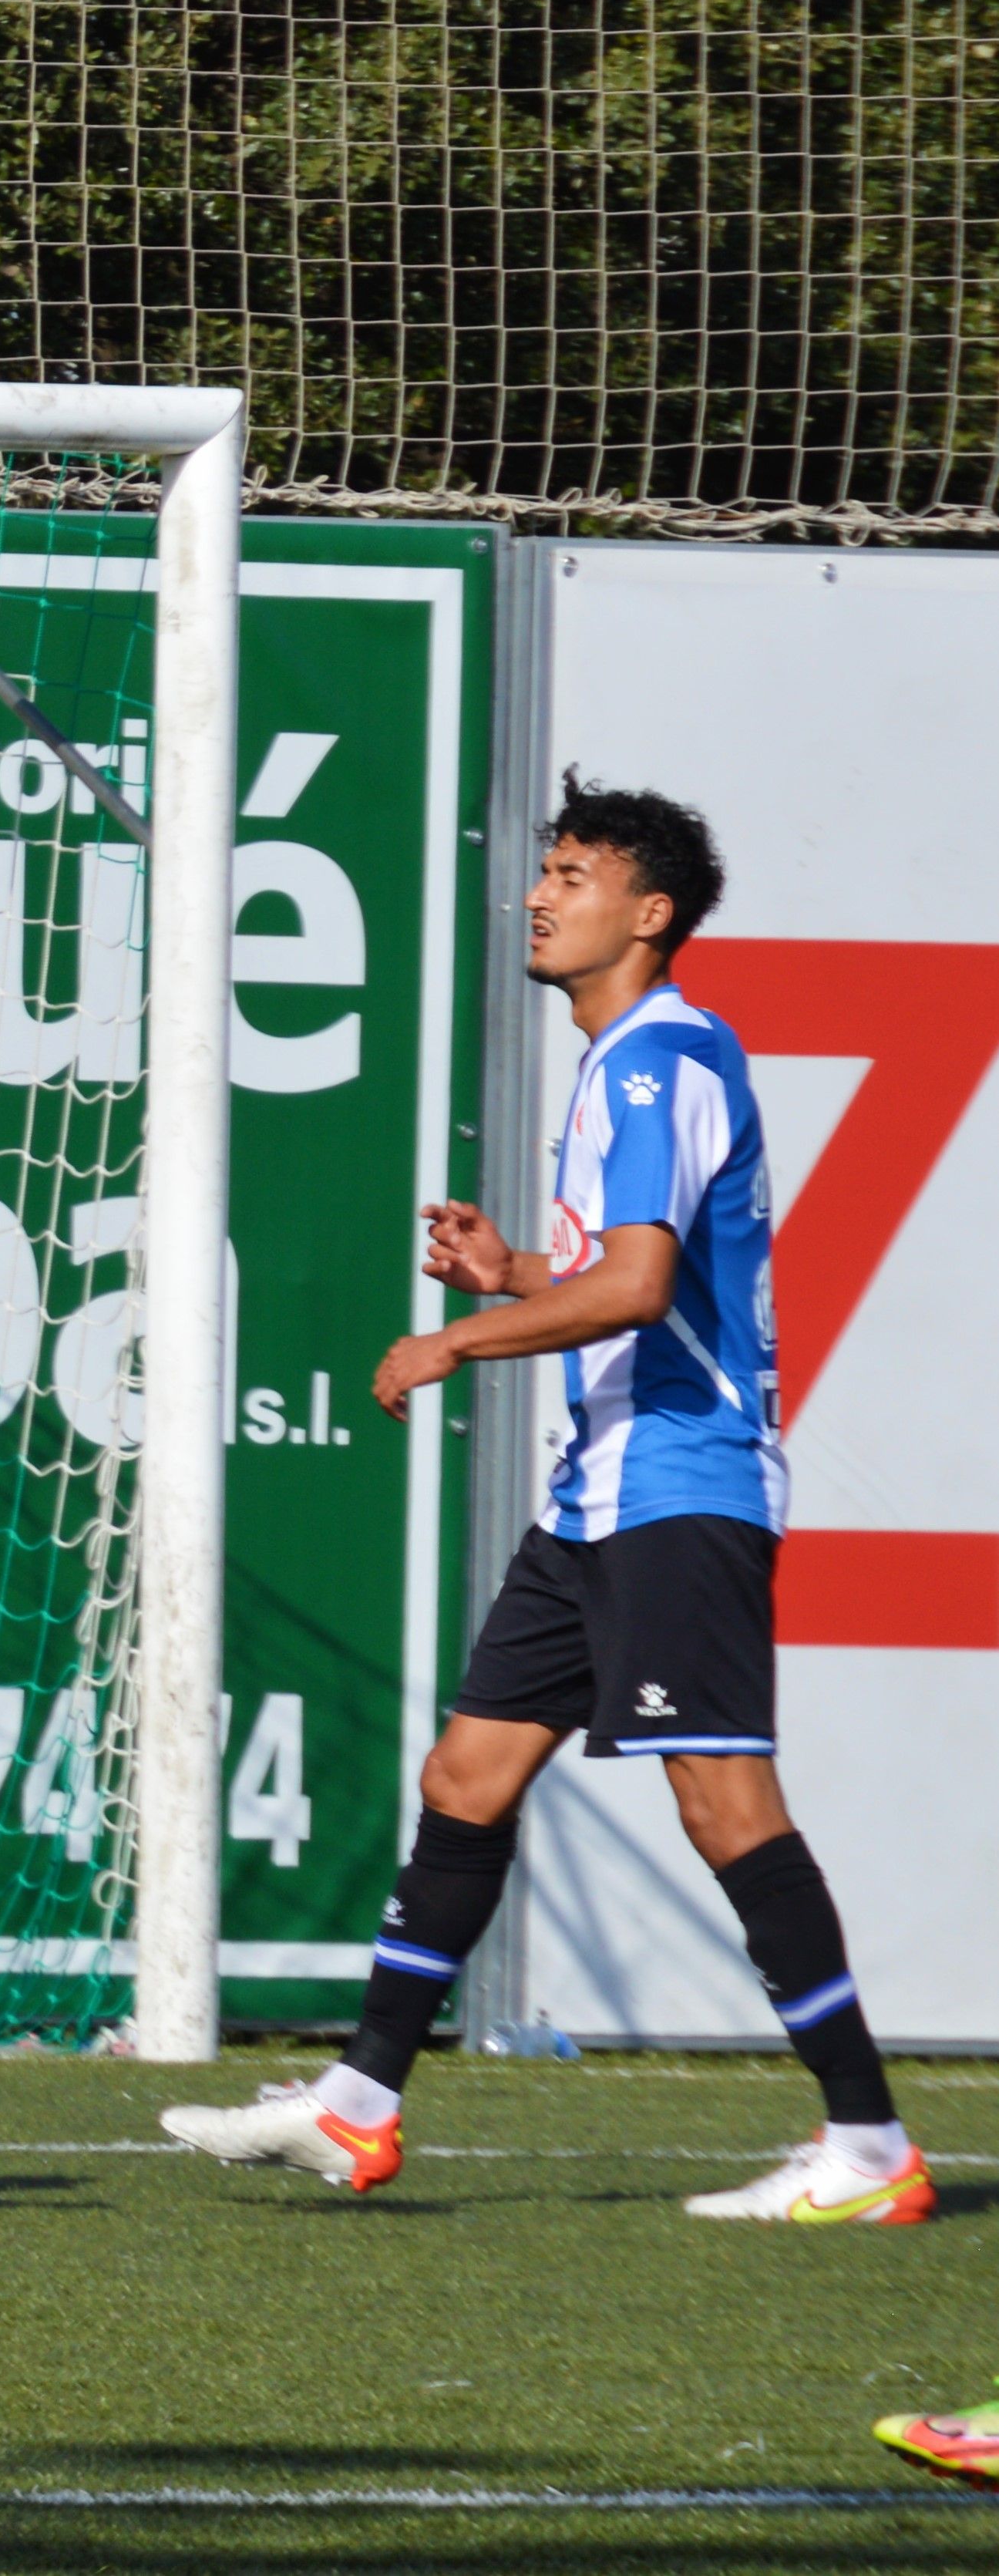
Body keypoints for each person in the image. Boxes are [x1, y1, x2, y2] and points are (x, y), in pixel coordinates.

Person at [164, 779, 923, 2221]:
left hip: (680, 1488)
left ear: (648, 914)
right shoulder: (620, 1063)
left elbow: (637, 1290)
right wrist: (511, 1275)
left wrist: (456, 1338)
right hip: (598, 1495)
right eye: (542, 871)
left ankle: (871, 2146)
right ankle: (359, 2103)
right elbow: (643, 1285)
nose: (539, 892)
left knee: (722, 1804)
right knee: (465, 1777)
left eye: (572, 874)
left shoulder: (660, 1059)